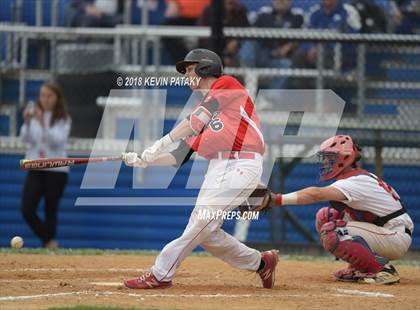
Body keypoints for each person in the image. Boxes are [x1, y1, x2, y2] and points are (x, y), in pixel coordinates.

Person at [121, 48, 278, 289]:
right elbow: (178, 156)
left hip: (241, 163)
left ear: (206, 68)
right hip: (218, 168)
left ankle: (160, 274)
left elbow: (195, 120)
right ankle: (261, 262)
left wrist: (160, 142)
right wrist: (143, 160)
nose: (186, 75)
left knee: (200, 222)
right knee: (208, 233)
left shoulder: (227, 84)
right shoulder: (213, 116)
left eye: (190, 69)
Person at [268, 135, 413, 284]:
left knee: (333, 231)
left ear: (345, 157)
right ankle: (360, 266)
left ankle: (382, 270)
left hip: (394, 236)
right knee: (326, 216)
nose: (325, 162)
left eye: (329, 157)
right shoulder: (356, 178)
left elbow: (316, 194)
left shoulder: (356, 181)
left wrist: (277, 199)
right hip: (385, 232)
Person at [20, 81, 71, 249]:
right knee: (27, 208)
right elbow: (26, 140)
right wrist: (27, 123)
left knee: (51, 208)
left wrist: (43, 124)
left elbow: (57, 142)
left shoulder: (63, 118)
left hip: (56, 169)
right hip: (36, 166)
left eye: (49, 96)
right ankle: (49, 241)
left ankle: (47, 244)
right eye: (42, 95)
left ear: (57, 98)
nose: (45, 99)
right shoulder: (34, 116)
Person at [289, 0, 361, 88]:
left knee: (325, 56)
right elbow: (305, 36)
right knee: (299, 56)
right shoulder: (314, 11)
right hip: (314, 54)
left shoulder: (348, 11)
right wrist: (310, 48)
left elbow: (354, 37)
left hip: (339, 55)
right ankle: (302, 95)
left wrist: (322, 48)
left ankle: (324, 96)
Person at [252, 0, 304, 89]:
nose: (281, 1)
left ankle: (269, 99)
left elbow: (303, 37)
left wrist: (289, 46)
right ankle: (246, 92)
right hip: (262, 54)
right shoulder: (264, 13)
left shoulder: (297, 15)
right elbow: (250, 33)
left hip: (282, 58)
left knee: (285, 65)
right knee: (248, 47)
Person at [198, 0, 250, 67]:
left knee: (247, 48)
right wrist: (222, 53)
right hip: (212, 48)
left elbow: (247, 32)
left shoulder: (241, 10)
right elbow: (203, 38)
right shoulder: (209, 11)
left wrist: (237, 41)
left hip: (235, 51)